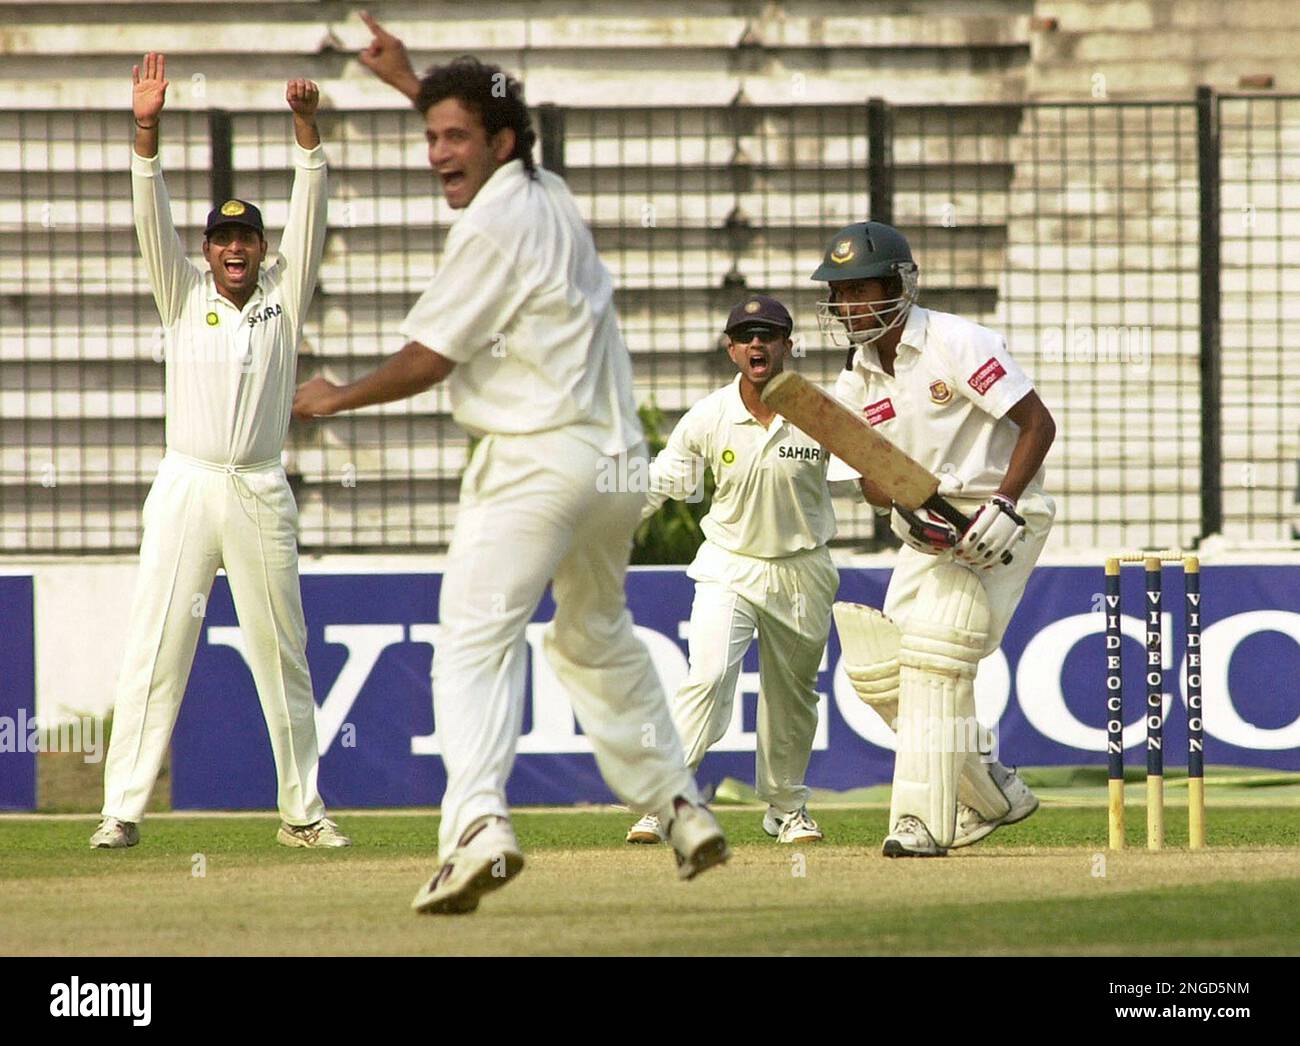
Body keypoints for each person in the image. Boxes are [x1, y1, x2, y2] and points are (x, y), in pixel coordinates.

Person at [292, 14, 729, 914]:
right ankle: (679, 804)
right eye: (429, 136)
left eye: (453, 137)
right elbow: (486, 128)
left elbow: (431, 358)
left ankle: (479, 825)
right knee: (595, 634)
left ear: (497, 143)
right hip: (616, 468)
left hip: (537, 460)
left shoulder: (489, 228)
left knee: (473, 643)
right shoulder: (548, 190)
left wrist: (336, 396)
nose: (435, 152)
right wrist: (410, 80)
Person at [92, 53, 349, 850]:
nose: (234, 250)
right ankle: (121, 811)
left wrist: (306, 132)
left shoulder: (283, 292)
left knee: (284, 653)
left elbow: (312, 208)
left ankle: (302, 814)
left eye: (245, 238)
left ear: (261, 248)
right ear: (206, 251)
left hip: (259, 487)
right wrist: (146, 132)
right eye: (222, 239)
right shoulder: (183, 294)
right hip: (187, 484)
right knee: (156, 645)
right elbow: (147, 214)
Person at [815, 220, 1057, 857]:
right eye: (838, 294)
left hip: (999, 513)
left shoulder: (956, 341)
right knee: (879, 671)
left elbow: (1038, 423)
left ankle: (918, 822)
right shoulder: (857, 377)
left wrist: (1005, 502)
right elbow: (868, 483)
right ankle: (992, 794)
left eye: (858, 290)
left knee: (932, 655)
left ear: (898, 285)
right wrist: (901, 500)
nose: (846, 307)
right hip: (925, 525)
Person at [624, 296, 840, 847]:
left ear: (789, 345)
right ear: (731, 349)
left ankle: (786, 808)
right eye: (745, 336)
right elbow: (664, 480)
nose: (757, 344)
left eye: (768, 335)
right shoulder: (709, 415)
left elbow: (872, 473)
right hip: (730, 564)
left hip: (802, 568)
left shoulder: (821, 413)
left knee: (792, 695)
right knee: (710, 675)